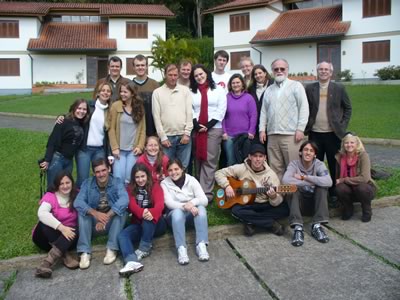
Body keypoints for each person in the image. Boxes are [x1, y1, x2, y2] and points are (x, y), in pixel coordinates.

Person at [215, 144, 289, 236]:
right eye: (255, 156)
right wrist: (227, 186)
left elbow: (277, 201)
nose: (258, 159)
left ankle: (250, 221)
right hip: (247, 204)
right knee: (236, 210)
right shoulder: (241, 168)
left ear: (265, 158)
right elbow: (219, 173)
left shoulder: (271, 175)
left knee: (285, 209)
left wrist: (273, 197)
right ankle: (271, 224)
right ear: (250, 157)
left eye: (260, 156)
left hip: (264, 204)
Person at [305, 61, 352, 206]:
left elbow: (348, 108)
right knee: (316, 165)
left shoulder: (339, 88)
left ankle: (333, 193)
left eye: (326, 69)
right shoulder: (310, 88)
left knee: (333, 165)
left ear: (331, 73)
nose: (323, 71)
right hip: (315, 134)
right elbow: (305, 108)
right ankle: (318, 192)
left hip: (333, 134)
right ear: (317, 72)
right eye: (321, 69)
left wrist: (342, 126)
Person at [74, 158, 128, 269]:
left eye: (103, 170)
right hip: (93, 224)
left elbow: (125, 200)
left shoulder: (117, 182)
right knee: (83, 213)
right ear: (94, 173)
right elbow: (78, 202)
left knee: (122, 212)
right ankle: (84, 252)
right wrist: (95, 214)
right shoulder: (87, 184)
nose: (101, 174)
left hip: (110, 222)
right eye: (97, 172)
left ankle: (112, 248)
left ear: (109, 169)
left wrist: (106, 216)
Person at [259, 58, 309, 180]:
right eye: (276, 69)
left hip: (291, 135)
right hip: (272, 135)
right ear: (272, 71)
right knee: (275, 169)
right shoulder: (268, 90)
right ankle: (280, 197)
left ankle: (295, 198)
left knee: (293, 168)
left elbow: (304, 108)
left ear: (287, 70)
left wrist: (300, 129)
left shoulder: (296, 86)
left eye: (282, 69)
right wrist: (262, 130)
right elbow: (264, 111)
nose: (279, 71)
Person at [118, 164, 166, 277]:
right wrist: (142, 212)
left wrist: (151, 213)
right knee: (123, 235)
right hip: (139, 223)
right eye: (137, 177)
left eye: (143, 176)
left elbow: (160, 205)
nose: (140, 180)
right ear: (133, 178)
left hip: (157, 223)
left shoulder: (155, 186)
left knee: (148, 219)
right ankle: (132, 261)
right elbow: (132, 205)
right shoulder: (130, 189)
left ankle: (144, 248)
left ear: (147, 175)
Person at [282, 141, 332, 247]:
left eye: (311, 151)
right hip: (299, 205)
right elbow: (286, 180)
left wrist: (305, 177)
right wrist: (311, 182)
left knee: (322, 188)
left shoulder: (319, 164)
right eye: (305, 150)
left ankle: (317, 226)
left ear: (315, 154)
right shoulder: (294, 164)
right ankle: (298, 228)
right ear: (300, 152)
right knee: (292, 188)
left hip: (316, 204)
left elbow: (328, 181)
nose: (308, 153)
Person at [161, 159, 209, 265]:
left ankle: (201, 245)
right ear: (167, 172)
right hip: (174, 217)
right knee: (177, 212)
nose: (174, 172)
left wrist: (192, 203)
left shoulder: (191, 180)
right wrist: (186, 206)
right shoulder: (164, 183)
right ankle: (181, 248)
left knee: (201, 209)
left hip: (190, 215)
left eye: (176, 169)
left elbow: (204, 199)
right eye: (170, 170)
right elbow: (169, 203)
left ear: (182, 169)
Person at [190, 64, 227, 202]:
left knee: (209, 160)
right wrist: (196, 124)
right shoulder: (191, 91)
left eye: (201, 74)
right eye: (196, 75)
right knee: (198, 159)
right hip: (197, 129)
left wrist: (208, 125)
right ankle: (198, 190)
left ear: (207, 73)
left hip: (213, 128)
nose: (199, 77)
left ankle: (207, 194)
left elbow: (221, 109)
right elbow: (191, 109)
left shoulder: (218, 89)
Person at [32, 171, 79, 278]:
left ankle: (46, 263)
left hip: (69, 238)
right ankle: (65, 254)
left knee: (75, 229)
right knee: (44, 223)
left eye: (68, 182)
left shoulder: (77, 194)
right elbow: (42, 213)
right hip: (45, 239)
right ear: (57, 185)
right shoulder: (50, 196)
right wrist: (62, 228)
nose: (65, 186)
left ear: (72, 182)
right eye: (61, 183)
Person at [40, 99, 89, 190]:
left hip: (69, 161)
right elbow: (52, 140)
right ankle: (48, 204)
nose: (81, 111)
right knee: (53, 187)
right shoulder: (63, 121)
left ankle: (62, 204)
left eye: (84, 109)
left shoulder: (82, 123)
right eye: (79, 108)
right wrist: (47, 160)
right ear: (74, 108)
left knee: (65, 188)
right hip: (57, 159)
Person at [152, 64, 193, 169]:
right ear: (165, 75)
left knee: (183, 167)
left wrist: (187, 133)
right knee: (166, 167)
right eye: (170, 75)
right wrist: (163, 137)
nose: (173, 77)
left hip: (183, 136)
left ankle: (182, 186)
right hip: (167, 138)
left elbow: (189, 113)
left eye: (175, 75)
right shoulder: (157, 93)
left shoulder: (185, 91)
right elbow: (156, 117)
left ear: (178, 75)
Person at [108, 81, 146, 185]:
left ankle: (129, 199)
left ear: (132, 93)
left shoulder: (139, 108)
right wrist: (114, 147)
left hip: (133, 150)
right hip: (119, 150)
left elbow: (142, 129)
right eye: (121, 92)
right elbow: (111, 129)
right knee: (118, 177)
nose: (122, 94)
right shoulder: (116, 106)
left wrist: (140, 146)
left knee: (130, 178)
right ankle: (118, 199)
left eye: (125, 92)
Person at [335, 133, 376, 222]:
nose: (349, 145)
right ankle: (348, 208)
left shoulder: (363, 156)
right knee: (339, 188)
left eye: (352, 142)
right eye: (346, 143)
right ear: (343, 144)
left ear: (357, 144)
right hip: (348, 190)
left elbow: (365, 178)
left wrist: (344, 179)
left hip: (364, 188)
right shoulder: (339, 157)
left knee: (362, 187)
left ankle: (367, 210)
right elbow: (337, 178)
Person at [222, 73, 257, 166]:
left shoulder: (248, 98)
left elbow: (253, 115)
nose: (235, 85)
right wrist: (224, 132)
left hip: (245, 136)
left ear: (242, 84)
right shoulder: (226, 98)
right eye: (233, 83)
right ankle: (231, 181)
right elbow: (222, 116)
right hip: (229, 136)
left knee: (244, 161)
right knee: (231, 161)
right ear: (230, 85)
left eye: (238, 82)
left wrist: (251, 131)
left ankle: (244, 180)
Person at [131, 54, 160, 137]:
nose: (140, 67)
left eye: (143, 65)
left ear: (146, 66)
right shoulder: (129, 86)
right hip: (134, 129)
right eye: (137, 65)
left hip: (152, 128)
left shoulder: (155, 85)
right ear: (133, 67)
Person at [248, 64, 274, 135]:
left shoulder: (273, 85)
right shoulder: (251, 88)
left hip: (271, 124)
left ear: (265, 73)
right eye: (255, 74)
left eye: (260, 73)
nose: (258, 76)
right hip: (256, 125)